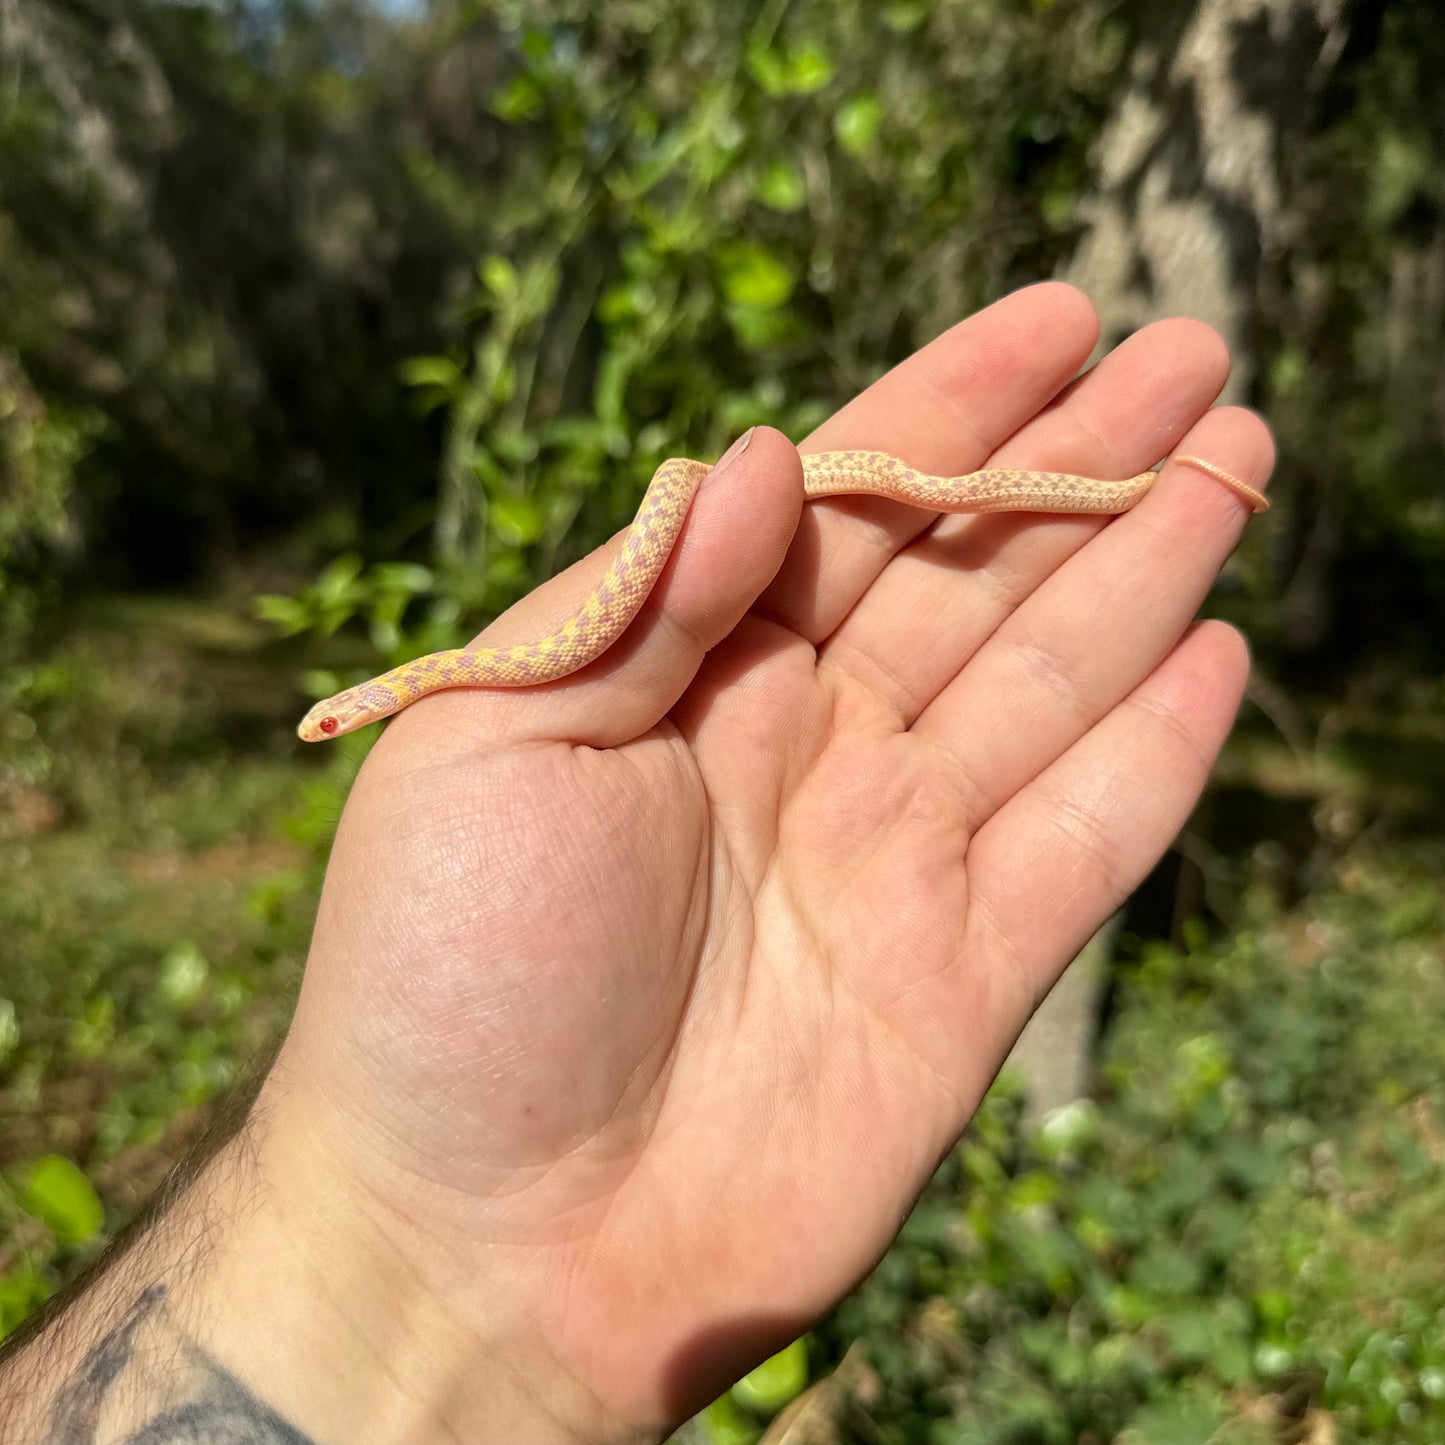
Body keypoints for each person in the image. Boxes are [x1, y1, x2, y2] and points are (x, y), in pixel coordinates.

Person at [0, 283, 1272, 1443]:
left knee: (793, 484)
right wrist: (391, 1225)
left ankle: (1134, 486)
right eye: (333, 724)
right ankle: (1128, 484)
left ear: (361, 704)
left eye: (336, 717)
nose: (332, 729)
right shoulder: (449, 698)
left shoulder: (452, 677)